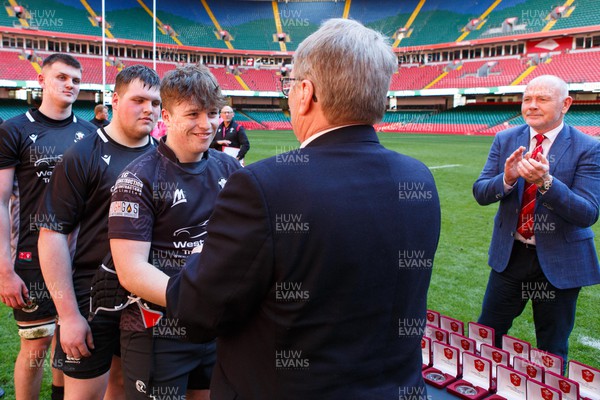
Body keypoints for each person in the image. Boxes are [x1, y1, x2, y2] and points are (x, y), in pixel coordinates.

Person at [125, 19, 441, 398]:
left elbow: (203, 309)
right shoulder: (419, 178)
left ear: (305, 93)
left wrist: (193, 266)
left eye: (290, 86)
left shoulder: (265, 185)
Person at [108, 64, 242, 400]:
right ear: (166, 115)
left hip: (214, 327)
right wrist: (194, 298)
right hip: (157, 330)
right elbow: (131, 270)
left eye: (212, 113)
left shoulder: (230, 168)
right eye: (193, 113)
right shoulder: (137, 178)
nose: (206, 123)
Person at [37, 65, 161, 400]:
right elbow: (51, 236)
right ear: (116, 100)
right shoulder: (82, 155)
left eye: (156, 102)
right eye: (139, 100)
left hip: (143, 298)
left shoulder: (165, 157)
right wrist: (68, 314)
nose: (149, 109)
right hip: (90, 297)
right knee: (84, 395)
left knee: (121, 388)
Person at [473, 75, 600, 363]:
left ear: (565, 104)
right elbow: (481, 192)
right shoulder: (505, 139)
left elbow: (587, 213)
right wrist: (506, 178)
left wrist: (546, 183)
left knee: (551, 349)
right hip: (511, 257)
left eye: (542, 99)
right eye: (527, 99)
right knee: (486, 335)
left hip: (560, 262)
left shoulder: (588, 147)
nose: (531, 105)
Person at [0, 53, 96, 400]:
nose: (69, 84)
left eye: (75, 80)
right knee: (36, 345)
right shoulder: (15, 129)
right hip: (30, 255)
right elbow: (1, 202)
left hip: (80, 256)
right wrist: (5, 269)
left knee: (68, 338)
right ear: (42, 80)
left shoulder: (90, 134)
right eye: (61, 77)